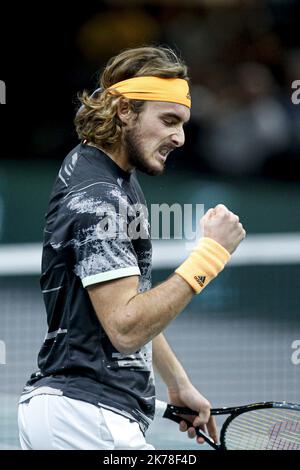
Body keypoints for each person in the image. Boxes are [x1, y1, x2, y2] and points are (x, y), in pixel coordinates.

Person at [18, 46, 246, 450]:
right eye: (169, 120)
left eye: (183, 123)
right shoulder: (99, 196)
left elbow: (126, 302)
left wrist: (177, 382)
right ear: (125, 111)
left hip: (79, 414)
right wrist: (211, 256)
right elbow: (125, 327)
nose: (179, 137)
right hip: (86, 418)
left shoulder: (109, 177)